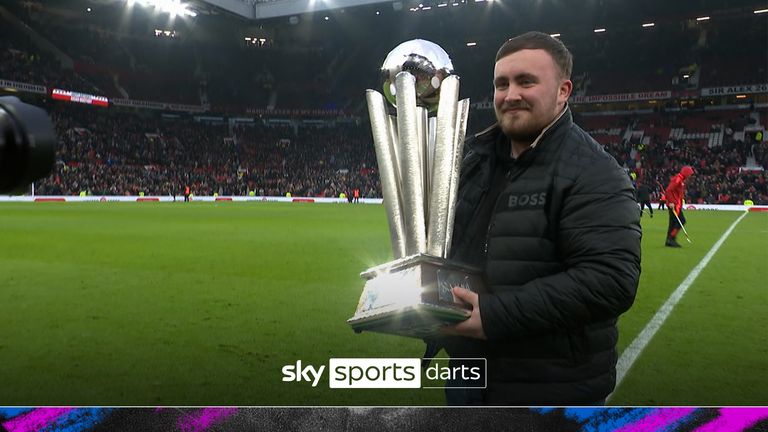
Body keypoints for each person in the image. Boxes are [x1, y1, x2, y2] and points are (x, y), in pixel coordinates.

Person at [438, 32, 641, 406]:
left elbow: (610, 280)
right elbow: (449, 248)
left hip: (550, 389)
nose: (510, 94)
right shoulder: (473, 161)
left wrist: (494, 316)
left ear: (563, 90)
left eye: (526, 81)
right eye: (502, 83)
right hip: (467, 377)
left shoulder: (595, 173)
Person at [663, 166, 694, 248]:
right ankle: (672, 238)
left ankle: (668, 241)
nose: (690, 176)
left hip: (676, 204)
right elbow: (668, 190)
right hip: (674, 205)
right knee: (682, 221)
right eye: (690, 174)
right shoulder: (678, 179)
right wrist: (672, 202)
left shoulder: (680, 179)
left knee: (672, 223)